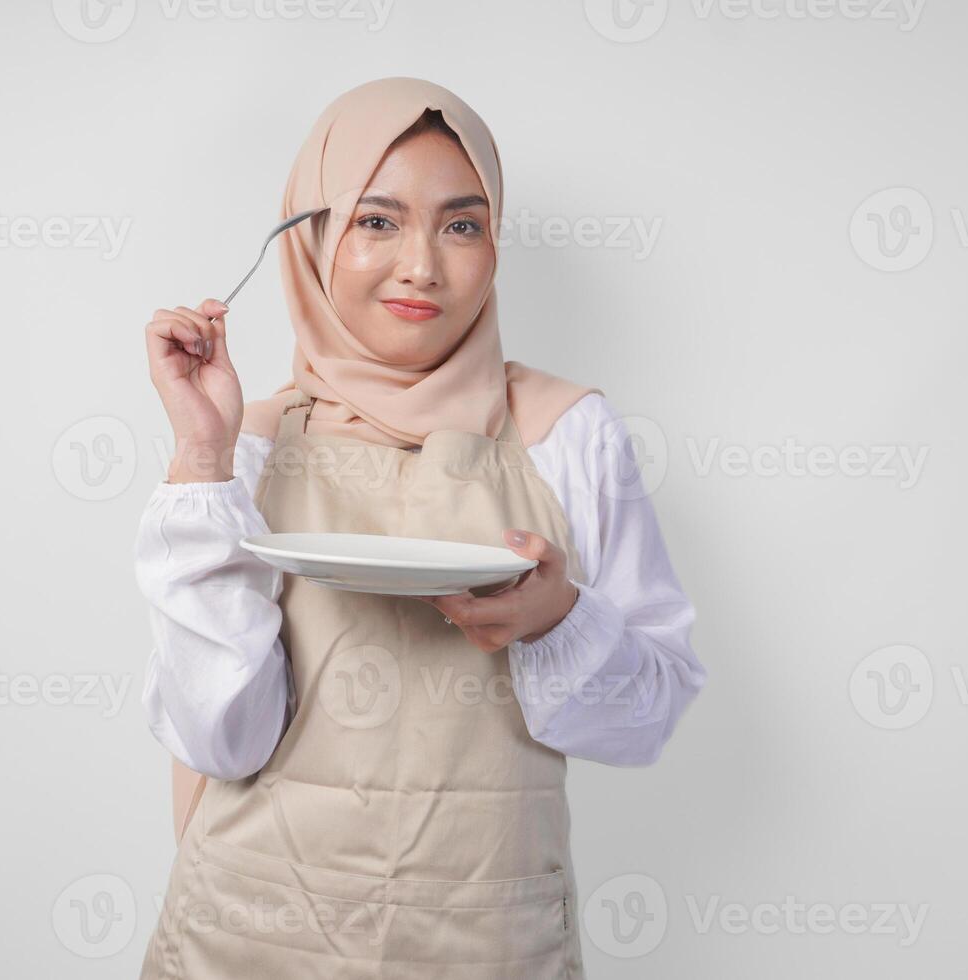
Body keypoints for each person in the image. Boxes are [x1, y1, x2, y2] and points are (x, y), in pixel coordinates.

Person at [135, 76, 706, 979]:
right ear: (313, 236)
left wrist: (561, 620)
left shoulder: (570, 431)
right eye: (376, 220)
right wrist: (200, 461)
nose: (423, 266)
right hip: (246, 941)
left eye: (463, 224)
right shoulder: (242, 443)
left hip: (489, 943)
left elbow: (647, 723)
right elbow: (220, 742)